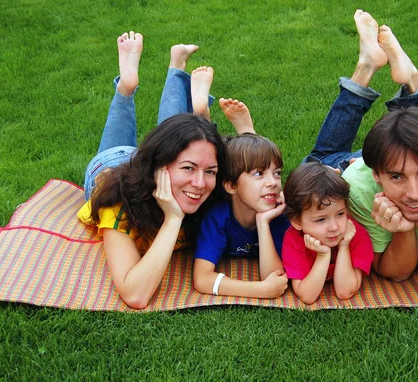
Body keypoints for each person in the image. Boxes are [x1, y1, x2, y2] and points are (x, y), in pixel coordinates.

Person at [304, 10, 418, 296]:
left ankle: (379, 68)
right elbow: (396, 272)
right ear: (376, 175)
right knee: (318, 166)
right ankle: (400, 76)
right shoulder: (358, 186)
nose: (415, 193)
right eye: (397, 178)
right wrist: (405, 229)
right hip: (352, 165)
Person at [77, 32, 227, 309]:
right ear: (159, 166)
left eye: (211, 171)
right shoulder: (119, 203)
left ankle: (177, 67)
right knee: (171, 139)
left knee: (182, 135)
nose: (199, 183)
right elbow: (135, 294)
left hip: (154, 160)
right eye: (189, 168)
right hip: (109, 166)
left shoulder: (213, 192)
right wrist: (172, 219)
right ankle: (126, 88)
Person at [192, 127, 290, 298]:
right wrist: (261, 290)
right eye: (258, 173)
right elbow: (202, 278)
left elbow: (273, 277)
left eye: (277, 173)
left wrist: (263, 223)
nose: (272, 182)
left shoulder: (280, 216)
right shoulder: (218, 218)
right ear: (231, 185)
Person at [281, 163, 373, 304]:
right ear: (297, 222)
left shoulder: (355, 234)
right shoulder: (294, 239)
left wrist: (344, 247)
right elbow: (307, 296)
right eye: (321, 219)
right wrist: (323, 256)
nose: (334, 227)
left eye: (340, 214)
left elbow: (344, 292)